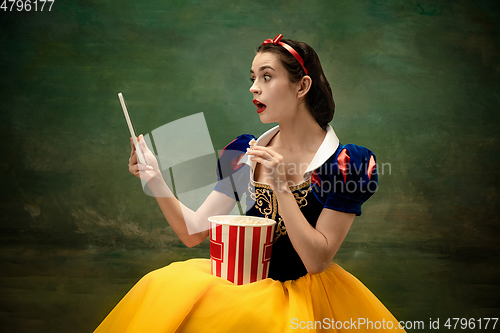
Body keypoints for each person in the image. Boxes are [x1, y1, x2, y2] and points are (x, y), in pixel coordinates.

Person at [94, 34, 405, 332]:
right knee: (161, 290)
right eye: (253, 78)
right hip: (239, 289)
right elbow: (195, 232)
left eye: (267, 77)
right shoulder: (246, 153)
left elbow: (316, 260)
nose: (254, 89)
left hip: (305, 302)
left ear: (302, 86)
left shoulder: (346, 164)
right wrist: (155, 178)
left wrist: (282, 185)